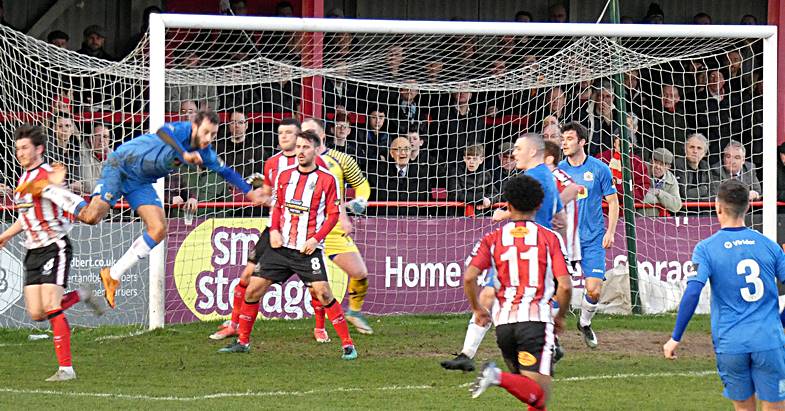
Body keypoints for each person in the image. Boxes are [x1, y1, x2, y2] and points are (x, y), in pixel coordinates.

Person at [21, 110, 265, 309]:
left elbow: (227, 172)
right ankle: (50, 188)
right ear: (194, 127)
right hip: (120, 165)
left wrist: (249, 191)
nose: (208, 138)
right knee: (91, 217)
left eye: (213, 134)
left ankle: (112, 274)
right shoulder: (179, 130)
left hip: (140, 181)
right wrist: (184, 154)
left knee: (159, 229)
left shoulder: (206, 152)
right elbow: (161, 131)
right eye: (205, 132)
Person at [218, 130, 358, 360]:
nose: (300, 152)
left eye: (305, 147)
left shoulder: (327, 179)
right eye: (299, 147)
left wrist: (316, 238)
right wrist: (274, 230)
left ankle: (348, 345)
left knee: (323, 293)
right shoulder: (284, 175)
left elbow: (333, 215)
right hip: (280, 247)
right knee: (252, 289)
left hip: (307, 250)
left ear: (315, 149)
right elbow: (278, 207)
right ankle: (242, 341)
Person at [442, 134, 564, 372]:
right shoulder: (547, 176)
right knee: (515, 299)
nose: (514, 153)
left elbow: (532, 210)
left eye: (518, 149)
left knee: (500, 298)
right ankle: (468, 354)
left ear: (532, 152)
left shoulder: (533, 177)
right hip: (535, 248)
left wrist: (503, 214)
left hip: (523, 246)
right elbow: (559, 215)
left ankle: (472, 354)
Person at [663, 179, 785, 410]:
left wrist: (676, 337)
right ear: (748, 207)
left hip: (731, 343)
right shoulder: (769, 245)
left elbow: (692, 292)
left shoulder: (706, 248)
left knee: (743, 408)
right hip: (768, 340)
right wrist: (780, 322)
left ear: (718, 206)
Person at [0, 125, 103, 382]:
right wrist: (4, 236)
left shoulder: (49, 175)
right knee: (37, 313)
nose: (20, 153)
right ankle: (82, 294)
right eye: (17, 149)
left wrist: (66, 191)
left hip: (55, 246)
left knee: (52, 306)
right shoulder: (23, 182)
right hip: (32, 250)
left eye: (25, 148)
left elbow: (61, 191)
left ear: (39, 149)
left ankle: (66, 369)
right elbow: (26, 218)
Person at [466, 174, 572, 409]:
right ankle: (496, 376)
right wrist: (561, 315)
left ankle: (499, 377)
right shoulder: (549, 238)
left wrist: (477, 308)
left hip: (504, 326)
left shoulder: (492, 238)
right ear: (538, 205)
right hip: (535, 323)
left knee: (532, 395)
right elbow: (564, 285)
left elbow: (470, 277)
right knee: (539, 394)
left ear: (508, 205)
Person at [210, 118, 306, 340]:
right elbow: (269, 193)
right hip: (272, 227)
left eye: (289, 133)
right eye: (281, 132)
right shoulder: (272, 162)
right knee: (246, 276)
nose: (283, 136)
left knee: (316, 288)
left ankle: (321, 328)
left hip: (299, 232)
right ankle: (234, 324)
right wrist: (259, 194)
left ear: (299, 137)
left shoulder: (307, 163)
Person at [301, 118, 375, 335]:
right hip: (307, 228)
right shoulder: (294, 162)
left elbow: (361, 184)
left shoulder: (340, 159)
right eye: (303, 133)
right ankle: (319, 327)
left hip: (333, 227)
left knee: (359, 272)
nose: (307, 137)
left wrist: (360, 200)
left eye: (312, 133)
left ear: (322, 135)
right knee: (316, 283)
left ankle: (354, 311)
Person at [558, 122, 618, 348]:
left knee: (593, 289)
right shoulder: (559, 170)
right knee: (558, 291)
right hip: (565, 242)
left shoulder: (599, 169)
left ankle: (584, 323)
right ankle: (551, 339)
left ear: (582, 142)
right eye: (563, 139)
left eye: (570, 139)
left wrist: (610, 231)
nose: (564, 143)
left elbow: (613, 202)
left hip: (593, 239)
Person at [642, 148, 682, 217]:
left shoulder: (671, 180)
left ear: (668, 167)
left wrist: (659, 193)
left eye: (662, 164)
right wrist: (663, 201)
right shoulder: (641, 170)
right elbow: (636, 197)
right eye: (655, 162)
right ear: (651, 161)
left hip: (661, 222)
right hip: (638, 218)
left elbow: (677, 206)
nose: (657, 166)